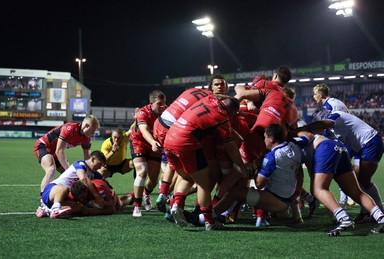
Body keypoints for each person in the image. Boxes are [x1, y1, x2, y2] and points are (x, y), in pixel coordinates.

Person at [164, 96, 248, 230]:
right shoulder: (221, 117)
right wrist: (242, 166)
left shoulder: (208, 98)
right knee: (204, 184)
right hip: (186, 142)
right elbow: (231, 148)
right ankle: (209, 222)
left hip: (169, 138)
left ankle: (176, 205)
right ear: (231, 113)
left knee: (187, 177)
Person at [297, 109, 384, 224]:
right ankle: (372, 212)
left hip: (369, 142)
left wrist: (302, 129)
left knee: (363, 181)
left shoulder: (336, 115)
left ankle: (374, 213)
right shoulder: (335, 129)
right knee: (358, 182)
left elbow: (324, 124)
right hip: (361, 146)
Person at [212, 123, 308, 227]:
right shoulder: (294, 146)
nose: (264, 140)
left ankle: (207, 217)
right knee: (247, 191)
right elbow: (308, 136)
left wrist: (257, 167)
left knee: (235, 193)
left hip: (278, 201)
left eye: (265, 137)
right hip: (290, 196)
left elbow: (259, 184)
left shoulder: (271, 157)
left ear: (271, 139)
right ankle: (254, 217)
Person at [34, 114, 100, 217]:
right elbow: (59, 151)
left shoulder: (86, 138)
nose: (93, 133)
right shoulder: (69, 128)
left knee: (68, 177)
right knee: (51, 169)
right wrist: (70, 169)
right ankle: (43, 203)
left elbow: (87, 158)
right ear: (86, 125)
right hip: (43, 146)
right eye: (92, 130)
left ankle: (58, 202)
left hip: (55, 152)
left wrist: (89, 173)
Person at [312, 83, 355, 208]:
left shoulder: (328, 106)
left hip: (342, 141)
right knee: (345, 170)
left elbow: (329, 124)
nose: (314, 97)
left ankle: (346, 199)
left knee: (341, 172)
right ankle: (347, 199)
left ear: (321, 94)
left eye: (315, 94)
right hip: (348, 139)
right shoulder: (337, 102)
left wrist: (322, 137)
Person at [130, 90, 166, 217]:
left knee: (154, 179)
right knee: (142, 172)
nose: (162, 106)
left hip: (154, 145)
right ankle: (137, 206)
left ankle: (146, 193)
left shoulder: (166, 112)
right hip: (139, 142)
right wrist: (152, 142)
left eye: (164, 103)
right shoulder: (142, 113)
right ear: (151, 103)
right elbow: (144, 131)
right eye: (159, 104)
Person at [41, 150, 107, 219]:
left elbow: (106, 185)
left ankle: (48, 210)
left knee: (79, 207)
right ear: (93, 159)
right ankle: (55, 209)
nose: (100, 167)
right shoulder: (80, 164)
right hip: (51, 190)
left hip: (65, 198)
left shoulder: (95, 173)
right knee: (64, 188)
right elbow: (83, 179)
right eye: (99, 164)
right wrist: (97, 196)